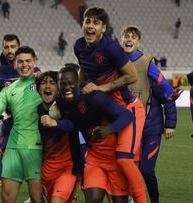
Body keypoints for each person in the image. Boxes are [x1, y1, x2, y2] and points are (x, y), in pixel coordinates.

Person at [74, 7, 146, 203]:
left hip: (129, 108)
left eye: (96, 23)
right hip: (106, 107)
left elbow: (132, 76)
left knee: (123, 158)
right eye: (87, 22)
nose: (90, 26)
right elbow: (84, 68)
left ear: (103, 28)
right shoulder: (79, 46)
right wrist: (79, 90)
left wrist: (101, 88)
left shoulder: (111, 48)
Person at [55, 65, 134, 203]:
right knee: (93, 200)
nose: (66, 87)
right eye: (62, 84)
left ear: (78, 83)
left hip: (115, 158)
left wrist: (109, 129)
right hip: (94, 159)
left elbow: (127, 116)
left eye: (70, 83)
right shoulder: (61, 103)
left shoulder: (94, 97)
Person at [121, 25, 177, 203]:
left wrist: (170, 124)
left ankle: (154, 200)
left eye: (133, 37)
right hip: (127, 126)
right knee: (129, 166)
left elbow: (166, 96)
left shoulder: (147, 66)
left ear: (138, 42)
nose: (129, 40)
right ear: (121, 40)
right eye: (126, 37)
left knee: (146, 169)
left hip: (150, 129)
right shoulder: (116, 64)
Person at [0, 46, 44, 203]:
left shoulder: (43, 83)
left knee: (37, 198)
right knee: (7, 197)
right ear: (15, 64)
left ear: (35, 61)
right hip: (13, 147)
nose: (24, 65)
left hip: (35, 147)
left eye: (28, 61)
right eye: (20, 61)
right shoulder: (8, 90)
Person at [36, 71, 82, 203]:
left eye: (53, 83)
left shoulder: (68, 105)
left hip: (68, 169)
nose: (48, 86)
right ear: (38, 89)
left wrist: (54, 122)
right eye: (44, 83)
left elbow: (72, 126)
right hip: (46, 172)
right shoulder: (36, 110)